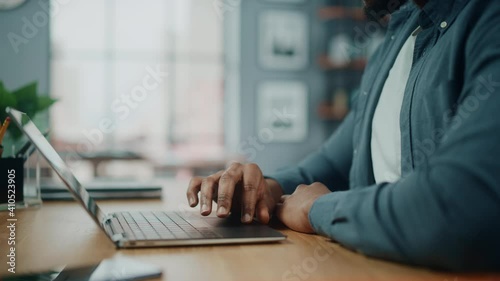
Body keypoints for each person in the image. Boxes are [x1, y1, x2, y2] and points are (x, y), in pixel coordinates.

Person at [186, 0, 500, 271]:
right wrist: (264, 189)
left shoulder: (487, 19)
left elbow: (458, 207)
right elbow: (333, 163)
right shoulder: (396, 40)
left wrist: (315, 210)